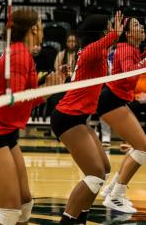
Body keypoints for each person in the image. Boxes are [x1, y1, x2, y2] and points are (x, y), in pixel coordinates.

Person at [0, 9, 65, 225]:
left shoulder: (24, 54)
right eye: (41, 24)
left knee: (24, 203)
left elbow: (28, 99)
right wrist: (44, 89)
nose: (43, 29)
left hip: (6, 133)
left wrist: (51, 86)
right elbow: (17, 100)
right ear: (34, 28)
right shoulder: (19, 55)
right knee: (10, 210)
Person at [51, 12, 124, 224]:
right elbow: (102, 45)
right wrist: (115, 35)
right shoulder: (93, 50)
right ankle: (68, 220)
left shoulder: (93, 53)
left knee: (104, 169)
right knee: (95, 174)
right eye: (109, 26)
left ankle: (82, 217)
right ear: (101, 32)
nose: (112, 29)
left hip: (76, 117)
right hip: (67, 118)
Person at [97, 18, 146, 213]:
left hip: (115, 100)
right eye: (137, 26)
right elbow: (130, 74)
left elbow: (131, 65)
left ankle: (112, 190)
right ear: (129, 34)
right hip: (111, 101)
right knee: (144, 148)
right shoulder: (123, 49)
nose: (142, 29)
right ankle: (116, 196)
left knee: (138, 147)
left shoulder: (128, 49)